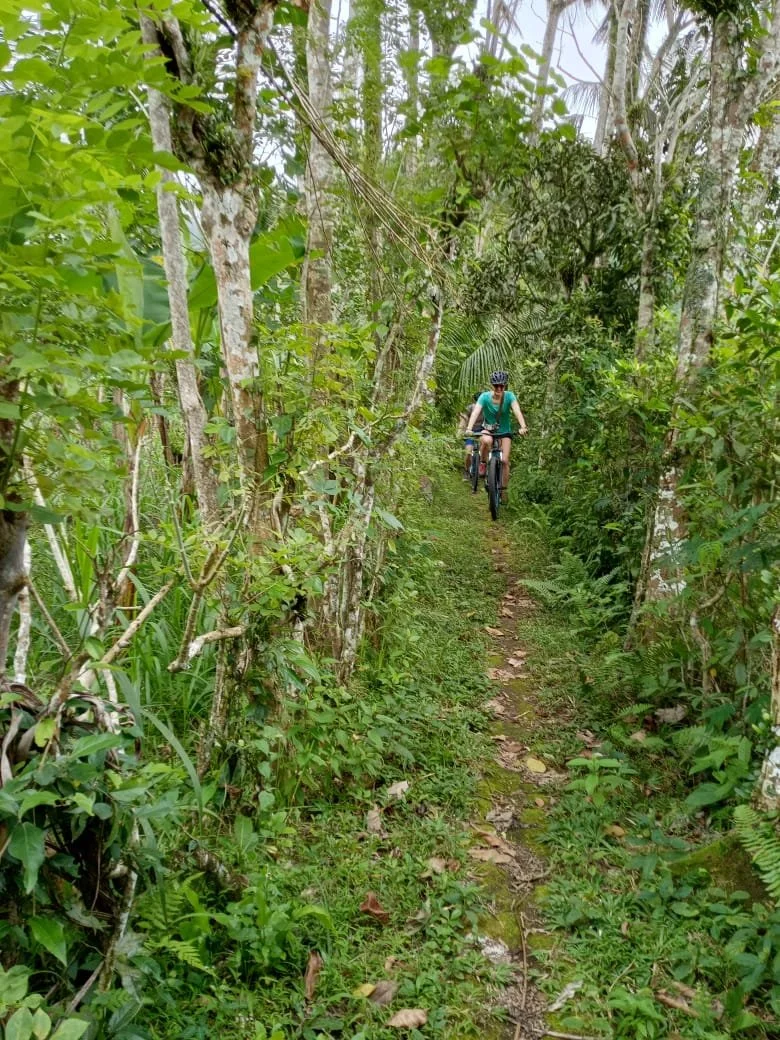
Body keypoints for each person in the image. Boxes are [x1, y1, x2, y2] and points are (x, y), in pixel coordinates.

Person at [465, 371, 528, 502]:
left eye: (502, 386)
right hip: (488, 429)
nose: (499, 388)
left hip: (505, 432)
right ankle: (483, 462)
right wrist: (469, 429)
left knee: (504, 460)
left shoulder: (510, 397)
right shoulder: (484, 397)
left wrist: (523, 426)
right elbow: (476, 411)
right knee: (486, 440)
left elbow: (516, 410)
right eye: (496, 386)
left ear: (505, 386)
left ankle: (503, 490)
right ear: (492, 386)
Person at [457, 393, 484, 479]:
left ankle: (485, 469)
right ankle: (466, 470)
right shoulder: (470, 407)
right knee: (468, 452)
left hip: (482, 432)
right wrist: (461, 430)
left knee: (484, 450)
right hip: (471, 432)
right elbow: (464, 418)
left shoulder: (487, 408)